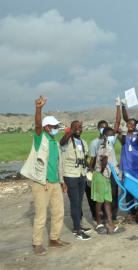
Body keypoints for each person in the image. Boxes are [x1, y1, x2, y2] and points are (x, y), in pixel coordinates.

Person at [21, 96, 70, 256]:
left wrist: (62, 181)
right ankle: (37, 244)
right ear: (47, 127)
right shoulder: (40, 138)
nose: (57, 128)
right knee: (41, 215)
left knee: (59, 212)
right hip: (42, 183)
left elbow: (57, 165)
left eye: (57, 126)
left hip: (55, 183)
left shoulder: (54, 142)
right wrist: (38, 108)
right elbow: (37, 125)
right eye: (54, 126)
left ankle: (54, 239)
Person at [59, 120, 91, 240]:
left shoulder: (82, 142)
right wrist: (70, 131)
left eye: (80, 127)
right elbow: (61, 142)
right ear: (71, 128)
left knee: (79, 201)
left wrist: (90, 168)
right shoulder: (67, 141)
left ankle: (78, 226)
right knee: (75, 202)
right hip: (70, 175)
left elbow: (84, 158)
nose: (78, 129)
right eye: (76, 127)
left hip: (81, 174)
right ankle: (78, 230)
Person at [92, 127, 122, 234]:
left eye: (113, 135)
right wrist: (103, 171)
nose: (113, 137)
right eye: (110, 135)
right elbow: (104, 160)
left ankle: (110, 224)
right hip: (102, 176)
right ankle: (99, 223)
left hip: (104, 176)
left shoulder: (103, 145)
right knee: (101, 201)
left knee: (107, 201)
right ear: (105, 136)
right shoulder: (107, 146)